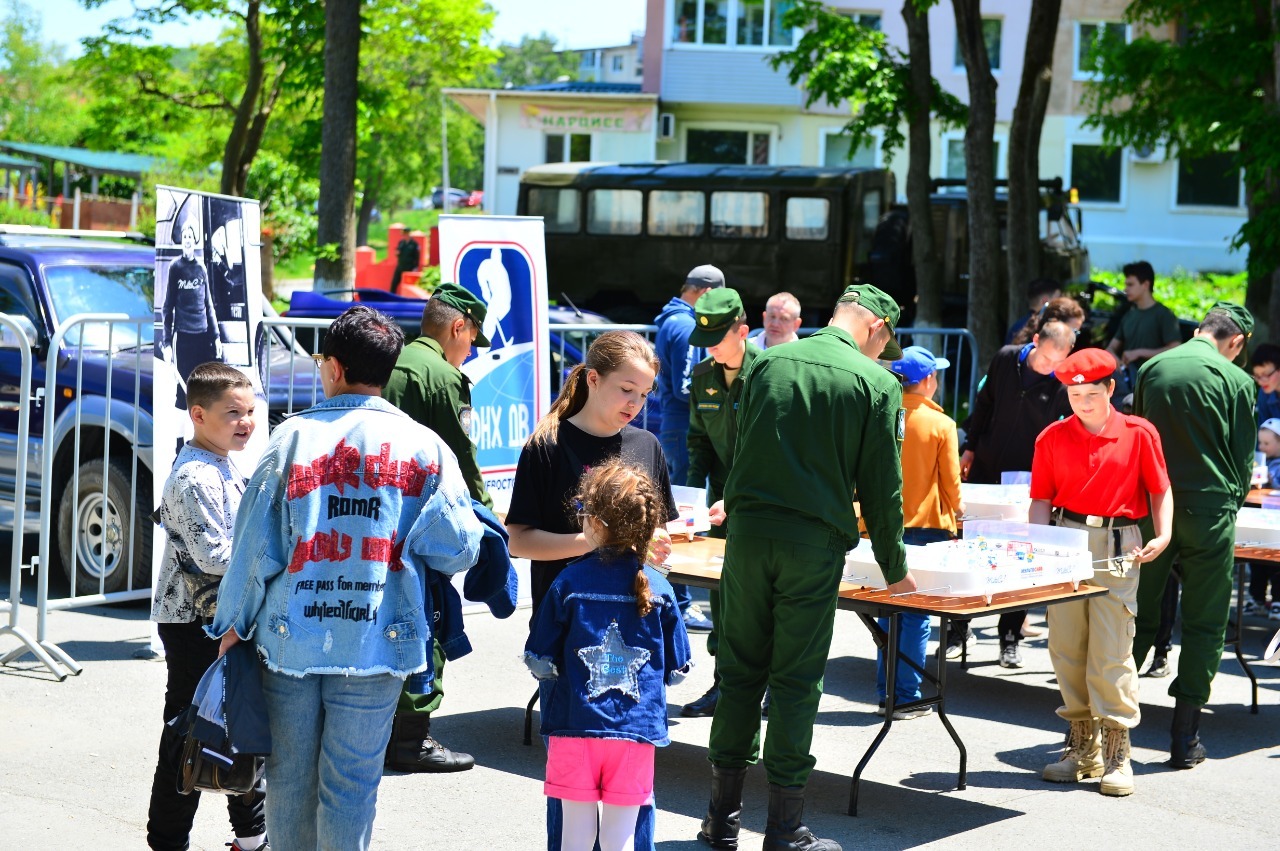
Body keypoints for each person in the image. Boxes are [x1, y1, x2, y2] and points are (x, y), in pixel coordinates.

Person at [209, 305, 482, 849]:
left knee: (288, 778)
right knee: (352, 786)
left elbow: (256, 548)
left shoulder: (290, 441)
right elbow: (459, 547)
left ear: (332, 367)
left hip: (291, 641)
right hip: (380, 640)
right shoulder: (426, 447)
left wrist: (230, 624)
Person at [699, 284, 917, 851]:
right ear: (873, 324)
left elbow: (739, 447)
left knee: (739, 671)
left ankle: (719, 821)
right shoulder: (876, 383)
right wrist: (895, 566)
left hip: (747, 538)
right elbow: (883, 488)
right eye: (886, 337)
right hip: (811, 548)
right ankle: (783, 827)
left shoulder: (767, 362)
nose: (883, 349)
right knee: (795, 682)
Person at [506, 329, 679, 851]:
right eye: (627, 389)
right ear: (594, 378)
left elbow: (661, 529)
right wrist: (591, 541)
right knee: (572, 793)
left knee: (634, 791)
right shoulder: (548, 445)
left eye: (645, 394)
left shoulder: (646, 446)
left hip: (638, 641)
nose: (636, 404)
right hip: (570, 642)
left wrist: (656, 544)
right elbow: (520, 541)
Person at [524, 461, 693, 851]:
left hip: (574, 726)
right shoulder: (660, 587)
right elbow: (679, 668)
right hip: (636, 732)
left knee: (575, 838)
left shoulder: (567, 581)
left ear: (594, 521)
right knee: (621, 841)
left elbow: (539, 658)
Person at [1030, 348, 1173, 797]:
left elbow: (1160, 489)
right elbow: (1040, 499)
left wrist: (1164, 534)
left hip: (1119, 544)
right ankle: (1082, 747)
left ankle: (1117, 750)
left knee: (1112, 648)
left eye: (1091, 393)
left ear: (1111, 389)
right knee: (1067, 646)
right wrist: (1038, 548)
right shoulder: (1051, 437)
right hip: (1067, 541)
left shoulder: (1138, 432)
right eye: (1073, 395)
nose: (1082, 403)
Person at [147, 362, 265, 851]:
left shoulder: (221, 461)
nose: (246, 422)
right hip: (194, 623)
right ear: (198, 414)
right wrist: (272, 551)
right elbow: (215, 557)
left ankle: (252, 837)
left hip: (221, 619)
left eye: (250, 411)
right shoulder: (196, 474)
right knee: (189, 732)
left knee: (242, 724)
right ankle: (169, 838)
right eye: (232, 412)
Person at [1132, 301, 1256, 770]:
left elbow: (1140, 437)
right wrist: (1225, 501)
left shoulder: (1153, 366)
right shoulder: (1238, 381)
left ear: (1201, 327)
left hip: (1153, 507)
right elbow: (1244, 459)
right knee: (1204, 622)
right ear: (1236, 341)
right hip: (1210, 510)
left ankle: (1107, 725)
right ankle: (1185, 739)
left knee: (1136, 613)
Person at [380, 282, 492, 773]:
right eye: (470, 341)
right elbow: (460, 458)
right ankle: (412, 740)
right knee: (426, 622)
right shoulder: (442, 377)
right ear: (457, 327)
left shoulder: (392, 362)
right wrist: (488, 517)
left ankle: (382, 733)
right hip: (420, 525)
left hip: (376, 519)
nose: (469, 352)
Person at [953, 320, 1077, 665]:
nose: (1051, 367)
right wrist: (970, 448)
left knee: (1018, 555)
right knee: (970, 546)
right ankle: (958, 629)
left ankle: (1009, 635)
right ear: (1035, 341)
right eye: (1046, 359)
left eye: (1059, 361)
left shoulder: (1063, 384)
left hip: (1027, 479)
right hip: (987, 468)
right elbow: (985, 403)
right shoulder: (1006, 358)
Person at [680, 288, 760, 718]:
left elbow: (772, 449)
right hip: (719, 511)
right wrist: (689, 502)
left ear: (743, 331)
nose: (707, 347)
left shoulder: (770, 373)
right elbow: (699, 445)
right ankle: (722, 686)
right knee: (723, 601)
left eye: (716, 338)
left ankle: (756, 689)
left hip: (761, 504)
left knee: (757, 603)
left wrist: (736, 495)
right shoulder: (704, 378)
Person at [879, 345, 963, 721]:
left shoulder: (882, 412)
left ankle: (886, 692)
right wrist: (961, 518)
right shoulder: (941, 424)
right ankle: (906, 695)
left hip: (883, 528)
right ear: (928, 381)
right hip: (928, 529)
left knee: (887, 613)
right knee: (916, 616)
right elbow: (952, 486)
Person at [654, 264, 724, 633]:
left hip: (679, 429)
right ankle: (679, 604)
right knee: (681, 519)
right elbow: (685, 388)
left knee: (680, 514)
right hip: (683, 430)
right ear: (704, 291)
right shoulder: (683, 326)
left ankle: (677, 602)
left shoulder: (674, 320)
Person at [161, 222, 221, 408]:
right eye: (185, 237)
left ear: (195, 242)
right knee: (183, 393)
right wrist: (167, 343)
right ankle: (179, 438)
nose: (187, 241)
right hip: (184, 336)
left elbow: (209, 305)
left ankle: (201, 436)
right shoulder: (175, 267)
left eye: (190, 238)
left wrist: (216, 337)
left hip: (203, 337)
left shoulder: (201, 268)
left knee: (203, 390)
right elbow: (167, 306)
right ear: (182, 241)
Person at [1106, 260, 1181, 389]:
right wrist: (1113, 356)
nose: (1125, 289)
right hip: (1128, 381)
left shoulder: (1163, 314)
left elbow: (1175, 348)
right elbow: (1111, 347)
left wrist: (1139, 352)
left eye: (1130, 284)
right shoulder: (1128, 315)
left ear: (1145, 284)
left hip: (1154, 382)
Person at [1245, 418, 1280, 619]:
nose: (1262, 447)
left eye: (1267, 443)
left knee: (1276, 566)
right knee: (1256, 562)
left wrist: (1269, 477)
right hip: (1262, 519)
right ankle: (1256, 598)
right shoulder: (1260, 462)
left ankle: (1277, 600)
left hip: (1276, 522)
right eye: (1261, 443)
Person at [1010, 295, 1086, 347]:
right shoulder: (1026, 352)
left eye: (1077, 333)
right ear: (1054, 323)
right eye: (1073, 331)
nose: (1073, 339)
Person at [1006, 278, 1062, 345]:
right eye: (1058, 298)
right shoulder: (1051, 327)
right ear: (1045, 301)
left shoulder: (1016, 328)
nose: (1061, 302)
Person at [1251, 343, 1280, 423]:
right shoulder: (1264, 392)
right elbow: (1263, 427)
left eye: (1265, 375)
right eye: (1257, 376)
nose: (1260, 382)